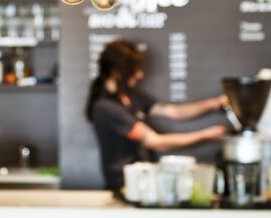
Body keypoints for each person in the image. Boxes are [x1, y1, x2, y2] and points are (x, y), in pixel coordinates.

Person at [86, 40, 228, 193]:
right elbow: (155, 141)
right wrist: (206, 135)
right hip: (125, 186)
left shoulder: (131, 96)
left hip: (145, 181)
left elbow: (174, 112)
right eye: (134, 69)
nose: (140, 74)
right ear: (117, 72)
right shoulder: (106, 107)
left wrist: (217, 103)